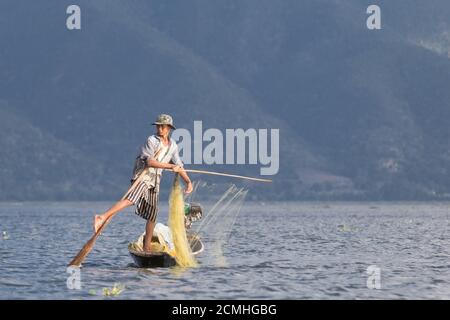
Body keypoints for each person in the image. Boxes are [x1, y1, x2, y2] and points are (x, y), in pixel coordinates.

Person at [93, 114, 193, 252]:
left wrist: (188, 182)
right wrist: (170, 167)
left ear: (169, 128)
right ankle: (102, 216)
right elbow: (150, 162)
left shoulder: (173, 146)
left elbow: (179, 165)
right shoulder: (152, 140)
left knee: (152, 215)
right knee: (132, 199)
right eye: (158, 126)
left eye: (162, 126)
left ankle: (147, 249)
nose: (159, 129)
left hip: (155, 180)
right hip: (143, 176)